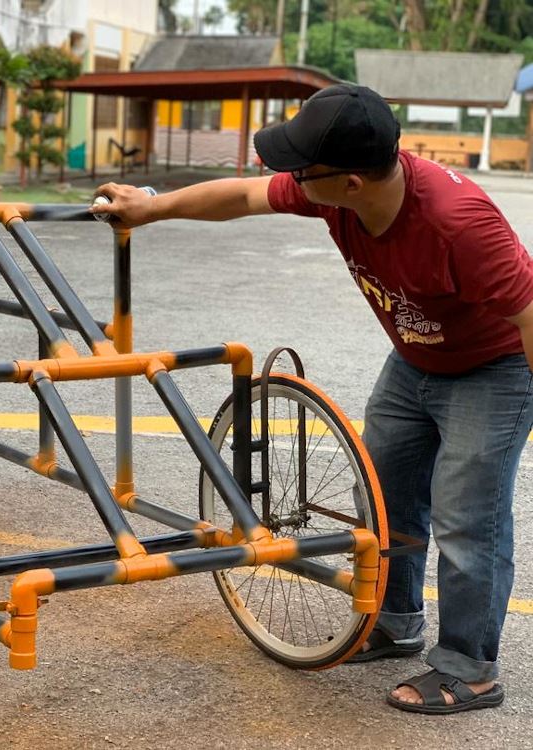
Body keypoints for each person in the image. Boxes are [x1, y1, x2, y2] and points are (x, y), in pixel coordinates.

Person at [92, 83, 533, 715]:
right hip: (414, 362)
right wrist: (150, 206)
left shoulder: (458, 224)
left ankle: (471, 669)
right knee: (383, 496)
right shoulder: (334, 196)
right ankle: (396, 621)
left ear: (352, 182)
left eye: (303, 168)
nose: (290, 178)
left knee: (468, 517)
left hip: (495, 370)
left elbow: (530, 316)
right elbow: (242, 195)